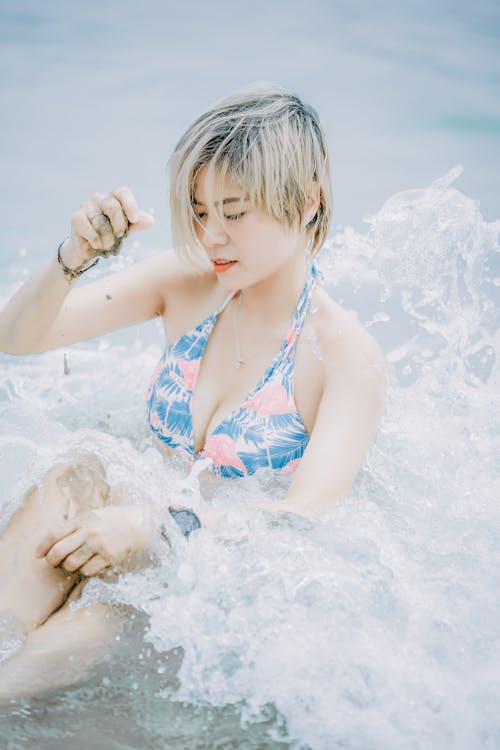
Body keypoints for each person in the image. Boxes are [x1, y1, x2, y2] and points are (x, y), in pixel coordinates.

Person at [0, 85, 386, 697]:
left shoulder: (342, 357)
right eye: (200, 212)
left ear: (308, 202)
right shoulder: (189, 283)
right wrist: (74, 257)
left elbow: (304, 518)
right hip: (134, 524)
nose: (211, 237)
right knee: (76, 473)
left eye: (233, 213)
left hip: (209, 574)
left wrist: (155, 528)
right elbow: (16, 338)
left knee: (89, 628)